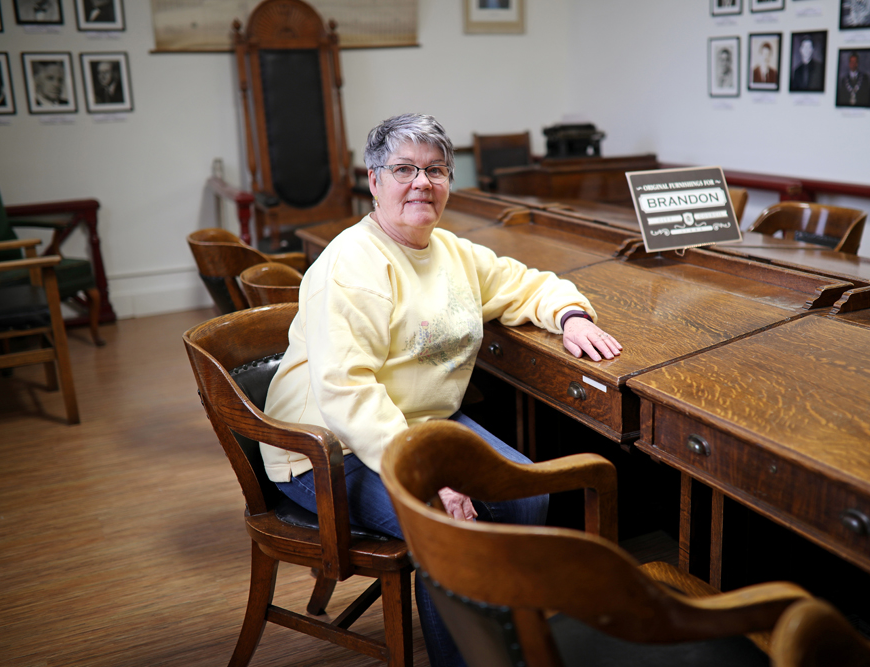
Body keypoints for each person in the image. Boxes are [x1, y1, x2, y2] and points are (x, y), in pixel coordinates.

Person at [262, 113, 621, 667]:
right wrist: (427, 478)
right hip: (326, 447)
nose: (421, 183)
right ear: (374, 179)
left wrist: (570, 316)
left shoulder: (451, 251)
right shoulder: (351, 266)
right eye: (404, 168)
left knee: (527, 493)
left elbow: (526, 284)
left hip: (421, 424)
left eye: (435, 170)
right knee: (448, 529)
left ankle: (505, 639)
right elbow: (347, 393)